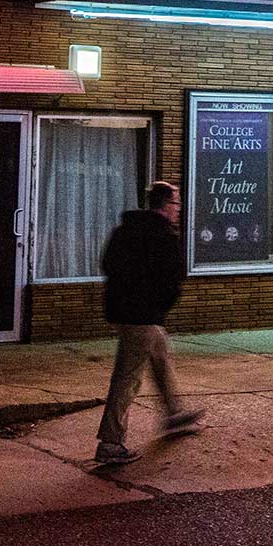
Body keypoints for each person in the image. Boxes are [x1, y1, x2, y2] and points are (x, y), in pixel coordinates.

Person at [94, 180, 203, 465]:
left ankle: (173, 414)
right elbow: (173, 278)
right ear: (165, 205)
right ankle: (110, 442)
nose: (179, 210)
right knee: (127, 378)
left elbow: (107, 264)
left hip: (122, 310)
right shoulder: (163, 236)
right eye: (177, 204)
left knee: (161, 355)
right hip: (142, 315)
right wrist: (157, 306)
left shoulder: (125, 230)